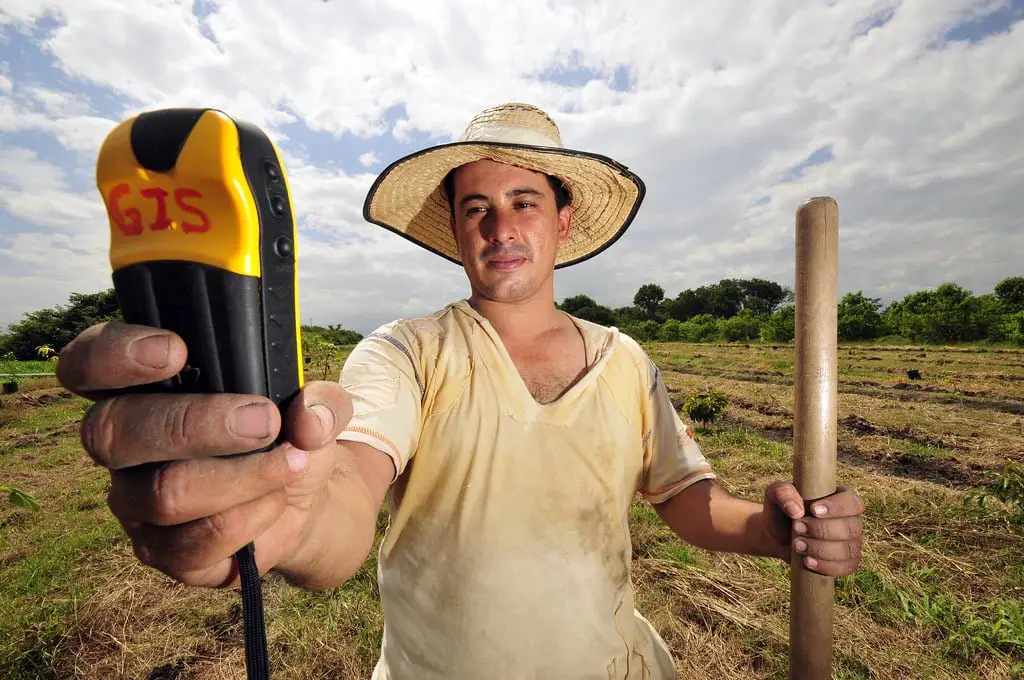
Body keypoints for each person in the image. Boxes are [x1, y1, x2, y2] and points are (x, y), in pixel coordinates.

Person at [57, 102, 864, 679]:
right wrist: (281, 514)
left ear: (564, 221)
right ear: (456, 231)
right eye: (475, 208)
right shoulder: (408, 352)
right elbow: (344, 500)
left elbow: (689, 502)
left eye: (523, 202)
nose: (499, 226)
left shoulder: (625, 361)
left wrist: (775, 530)